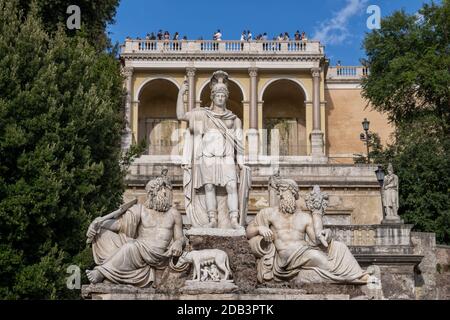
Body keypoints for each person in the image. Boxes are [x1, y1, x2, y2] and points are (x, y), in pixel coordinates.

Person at [246, 176, 375, 284]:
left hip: (305, 251)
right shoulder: (268, 213)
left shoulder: (304, 217)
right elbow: (248, 232)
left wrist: (327, 234)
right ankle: (358, 277)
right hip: (286, 257)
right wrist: (259, 229)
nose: (279, 194)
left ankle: (356, 275)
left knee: (340, 247)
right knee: (318, 258)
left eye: (282, 190)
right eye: (279, 191)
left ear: (292, 193)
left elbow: (317, 240)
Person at [85, 170, 185, 287]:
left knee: (131, 247)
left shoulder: (174, 213)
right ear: (152, 194)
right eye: (160, 190)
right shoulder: (140, 210)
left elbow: (180, 238)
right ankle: (111, 272)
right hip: (139, 248)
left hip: (158, 255)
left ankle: (101, 272)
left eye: (166, 190)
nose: (165, 193)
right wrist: (100, 224)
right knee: (103, 233)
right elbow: (119, 225)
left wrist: (178, 242)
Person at [176, 71, 248, 229]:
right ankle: (212, 219)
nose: (221, 98)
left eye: (223, 95)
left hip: (226, 154)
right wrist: (181, 93)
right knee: (209, 187)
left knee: (231, 186)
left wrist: (241, 162)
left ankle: (234, 220)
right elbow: (181, 115)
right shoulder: (203, 114)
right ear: (213, 97)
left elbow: (239, 143)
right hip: (207, 155)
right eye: (218, 95)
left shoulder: (234, 118)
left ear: (226, 97)